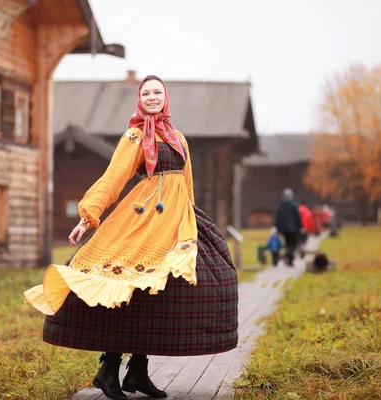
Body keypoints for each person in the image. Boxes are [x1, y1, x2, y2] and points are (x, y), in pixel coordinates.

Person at [24, 75, 238, 400]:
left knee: (163, 292)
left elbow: (187, 182)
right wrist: (88, 216)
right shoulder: (134, 136)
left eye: (157, 92)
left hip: (176, 219)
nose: (152, 97)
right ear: (140, 99)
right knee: (128, 288)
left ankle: (138, 371)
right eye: (146, 93)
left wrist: (190, 218)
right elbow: (113, 177)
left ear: (166, 98)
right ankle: (109, 369)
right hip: (144, 219)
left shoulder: (179, 138)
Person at [274, 188, 302, 266]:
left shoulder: (280, 206)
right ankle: (289, 256)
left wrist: (277, 228)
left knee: (288, 244)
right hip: (293, 229)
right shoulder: (293, 205)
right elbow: (297, 217)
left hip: (284, 229)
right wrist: (300, 226)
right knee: (293, 244)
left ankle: (289, 258)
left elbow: (278, 218)